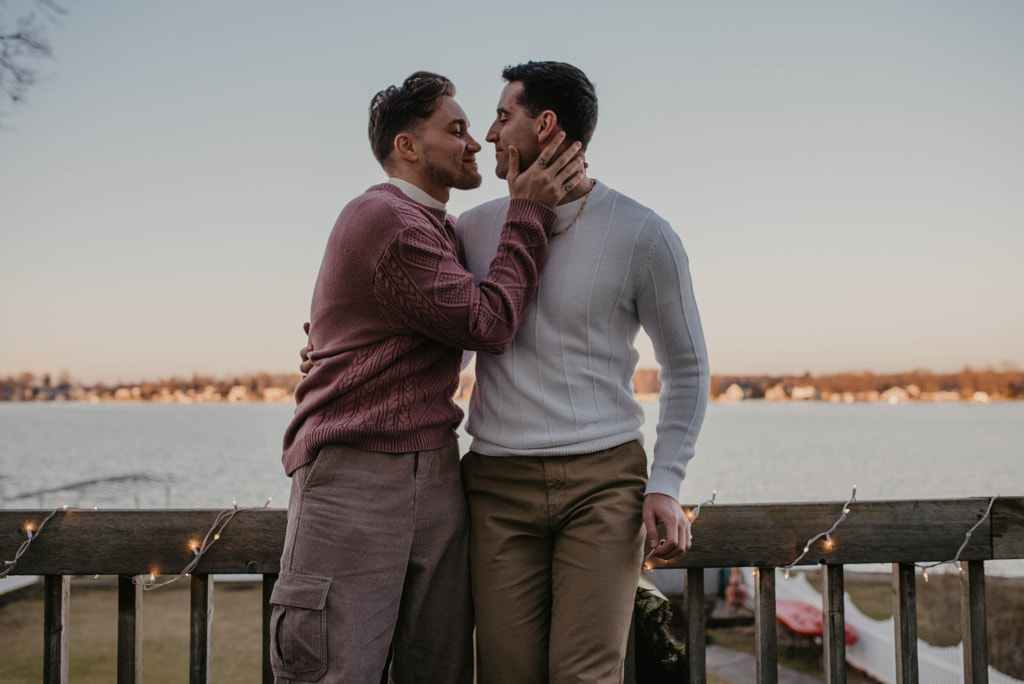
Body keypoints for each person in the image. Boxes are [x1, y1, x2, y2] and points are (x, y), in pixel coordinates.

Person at [272, 71, 585, 684]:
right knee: (335, 669)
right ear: (407, 148)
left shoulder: (438, 229)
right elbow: (488, 324)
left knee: (437, 668)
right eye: (457, 130)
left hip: (437, 472)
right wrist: (528, 213)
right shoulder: (385, 219)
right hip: (355, 477)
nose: (476, 144)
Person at [455, 61, 710, 683]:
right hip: (495, 487)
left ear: (544, 126)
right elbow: (444, 344)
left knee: (586, 675)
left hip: (603, 485)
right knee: (506, 674)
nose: (488, 134)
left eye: (502, 116)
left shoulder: (643, 233)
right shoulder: (469, 229)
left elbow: (687, 366)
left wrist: (666, 481)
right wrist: (348, 345)